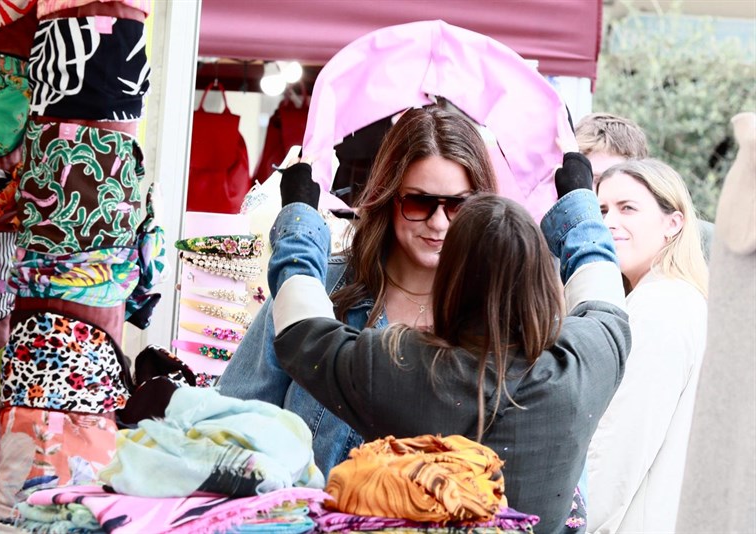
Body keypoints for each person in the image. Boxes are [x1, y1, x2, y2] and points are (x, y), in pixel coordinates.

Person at [266, 152, 631, 534]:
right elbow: (600, 283)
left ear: (450, 279)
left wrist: (300, 215)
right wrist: (579, 203)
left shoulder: (402, 368)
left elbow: (301, 331)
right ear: (541, 275)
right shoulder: (587, 362)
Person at [216, 105, 498, 476]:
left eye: (458, 206)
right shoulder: (321, 287)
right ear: (388, 197)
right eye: (419, 202)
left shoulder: (496, 312)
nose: (438, 222)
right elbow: (233, 422)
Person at [587, 159, 709, 533]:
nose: (609, 222)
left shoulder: (662, 307)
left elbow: (621, 445)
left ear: (673, 223)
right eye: (601, 209)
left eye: (628, 208)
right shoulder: (668, 298)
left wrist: (576, 524)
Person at [575, 111, 714, 260]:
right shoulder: (568, 241)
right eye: (586, 179)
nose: (598, 192)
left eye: (609, 178)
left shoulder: (707, 244)